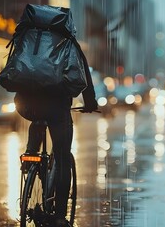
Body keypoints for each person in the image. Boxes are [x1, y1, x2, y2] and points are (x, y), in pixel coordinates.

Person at [15, 79, 98, 226]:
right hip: (57, 106)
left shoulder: (35, 53)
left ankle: (31, 157)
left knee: (38, 117)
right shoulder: (71, 54)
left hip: (27, 103)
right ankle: (59, 216)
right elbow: (83, 75)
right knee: (63, 161)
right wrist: (90, 101)